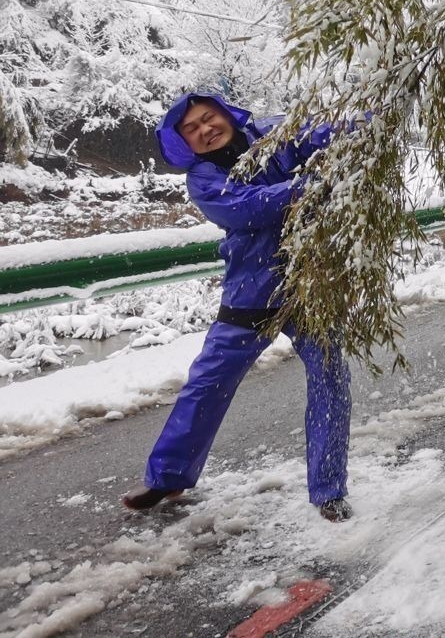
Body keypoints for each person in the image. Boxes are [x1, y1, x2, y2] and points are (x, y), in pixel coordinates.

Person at [122, 94, 354, 522]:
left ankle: (328, 488)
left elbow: (326, 131)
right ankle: (168, 475)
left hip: (309, 285)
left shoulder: (275, 136)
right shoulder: (203, 178)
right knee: (206, 383)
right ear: (185, 143)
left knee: (329, 380)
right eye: (191, 129)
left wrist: (371, 120)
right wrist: (312, 184)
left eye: (208, 118)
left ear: (226, 115)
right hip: (251, 293)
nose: (205, 130)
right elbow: (248, 209)